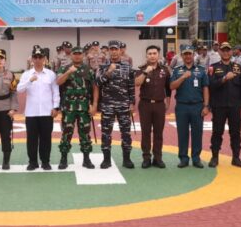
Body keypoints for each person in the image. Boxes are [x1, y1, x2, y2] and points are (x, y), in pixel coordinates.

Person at [95, 40, 135, 169]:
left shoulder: (127, 67)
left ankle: (127, 159)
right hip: (108, 105)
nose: (114, 52)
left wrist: (132, 102)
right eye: (111, 49)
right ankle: (106, 159)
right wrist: (108, 72)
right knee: (106, 133)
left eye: (116, 49)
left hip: (124, 105)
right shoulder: (102, 67)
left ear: (120, 50)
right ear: (108, 51)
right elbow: (98, 82)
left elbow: (131, 86)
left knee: (126, 133)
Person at [17, 46, 60, 170]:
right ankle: (33, 162)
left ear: (44, 59)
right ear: (32, 59)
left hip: (47, 112)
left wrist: (56, 107)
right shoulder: (27, 74)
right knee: (31, 139)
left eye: (40, 57)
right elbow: (19, 89)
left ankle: (45, 161)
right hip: (31, 112)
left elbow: (55, 92)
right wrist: (29, 81)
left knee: (46, 138)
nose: (38, 60)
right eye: (35, 57)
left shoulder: (51, 74)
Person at [208, 42, 241, 168]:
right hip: (219, 105)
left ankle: (236, 157)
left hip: (235, 106)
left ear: (231, 52)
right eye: (223, 50)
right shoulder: (213, 67)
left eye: (228, 50)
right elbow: (211, 86)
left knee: (235, 132)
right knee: (217, 132)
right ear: (219, 52)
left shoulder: (238, 67)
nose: (225, 53)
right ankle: (215, 157)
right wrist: (224, 78)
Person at [56, 46, 97, 169]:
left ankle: (86, 159)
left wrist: (95, 105)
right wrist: (68, 72)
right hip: (68, 108)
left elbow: (95, 88)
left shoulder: (89, 70)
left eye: (79, 54)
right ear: (71, 55)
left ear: (83, 55)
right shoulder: (64, 68)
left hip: (84, 108)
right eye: (75, 54)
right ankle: (63, 159)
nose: (77, 56)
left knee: (85, 133)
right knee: (66, 133)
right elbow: (58, 82)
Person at [170, 44, 210, 168]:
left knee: (197, 133)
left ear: (193, 55)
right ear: (182, 56)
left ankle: (196, 158)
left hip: (197, 106)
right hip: (182, 106)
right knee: (182, 133)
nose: (188, 56)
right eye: (185, 54)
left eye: (190, 54)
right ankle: (183, 158)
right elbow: (172, 86)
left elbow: (205, 88)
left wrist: (206, 106)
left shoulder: (201, 70)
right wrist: (183, 77)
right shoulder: (177, 70)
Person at [134, 45, 171, 169]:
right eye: (149, 53)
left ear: (158, 55)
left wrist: (168, 102)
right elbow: (137, 83)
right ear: (146, 56)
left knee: (158, 133)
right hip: (145, 104)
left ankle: (158, 158)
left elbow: (168, 88)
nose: (152, 56)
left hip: (160, 104)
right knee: (145, 132)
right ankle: (146, 158)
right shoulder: (141, 69)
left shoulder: (165, 70)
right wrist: (146, 72)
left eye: (154, 53)